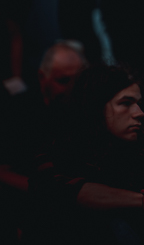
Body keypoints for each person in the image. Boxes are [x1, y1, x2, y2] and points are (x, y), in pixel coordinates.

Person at [27, 65, 144, 244]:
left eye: (138, 103)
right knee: (109, 221)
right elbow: (73, 193)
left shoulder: (142, 151)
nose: (139, 113)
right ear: (96, 108)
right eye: (126, 103)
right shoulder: (58, 151)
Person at [0, 42, 88, 241]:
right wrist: (47, 191)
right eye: (63, 80)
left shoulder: (83, 109)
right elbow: (2, 170)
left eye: (79, 80)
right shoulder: (17, 112)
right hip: (30, 206)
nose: (72, 88)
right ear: (42, 77)